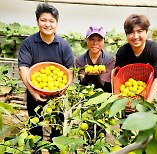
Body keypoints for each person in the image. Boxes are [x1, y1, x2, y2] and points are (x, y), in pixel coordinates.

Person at [18, 3, 74, 143]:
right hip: (34, 91)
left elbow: (70, 69)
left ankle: (54, 149)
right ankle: (36, 149)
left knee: (57, 128)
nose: (47, 24)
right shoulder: (28, 43)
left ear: (56, 23)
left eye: (51, 21)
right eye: (43, 20)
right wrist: (32, 91)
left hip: (58, 95)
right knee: (35, 127)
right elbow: (23, 67)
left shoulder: (63, 45)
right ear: (37, 22)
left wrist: (64, 89)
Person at [115, 14, 157, 103]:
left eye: (140, 31)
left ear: (146, 32)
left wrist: (147, 103)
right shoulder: (122, 52)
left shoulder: (156, 50)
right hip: (128, 98)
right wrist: (120, 101)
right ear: (126, 35)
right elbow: (118, 78)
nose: (135, 36)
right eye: (131, 32)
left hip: (150, 96)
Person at [75, 26, 115, 93]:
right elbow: (82, 82)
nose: (95, 43)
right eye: (92, 39)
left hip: (105, 95)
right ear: (86, 40)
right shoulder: (80, 60)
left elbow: (102, 84)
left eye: (99, 40)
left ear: (104, 41)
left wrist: (96, 75)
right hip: (85, 96)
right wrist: (87, 75)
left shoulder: (110, 60)